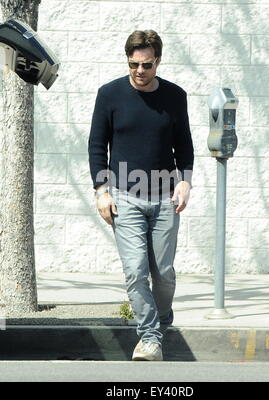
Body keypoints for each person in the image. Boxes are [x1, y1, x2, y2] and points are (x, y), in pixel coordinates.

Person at [88, 30, 194, 361]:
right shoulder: (109, 94)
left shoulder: (175, 96)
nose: (139, 71)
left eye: (146, 65)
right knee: (136, 270)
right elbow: (96, 145)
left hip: (164, 197)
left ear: (158, 61)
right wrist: (101, 190)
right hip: (124, 198)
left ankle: (160, 322)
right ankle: (150, 338)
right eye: (133, 64)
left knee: (162, 273)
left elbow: (184, 145)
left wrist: (185, 181)